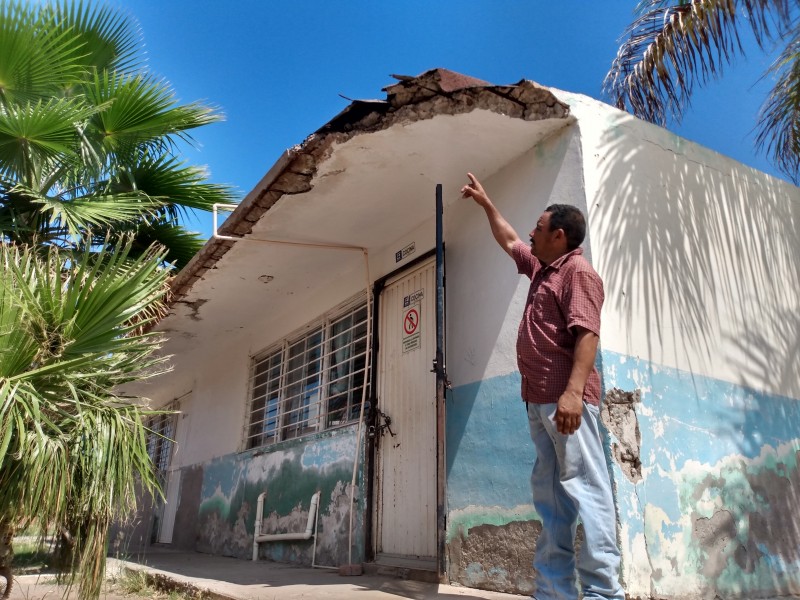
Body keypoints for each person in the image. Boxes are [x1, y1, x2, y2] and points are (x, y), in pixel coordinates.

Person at [461, 172, 624, 600]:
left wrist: (572, 393)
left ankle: (604, 593)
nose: (531, 232)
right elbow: (510, 239)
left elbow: (587, 333)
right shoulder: (542, 270)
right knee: (552, 502)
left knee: (588, 494)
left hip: (567, 404)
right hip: (538, 403)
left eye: (539, 227)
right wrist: (486, 204)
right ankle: (554, 593)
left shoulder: (578, 273)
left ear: (560, 235)